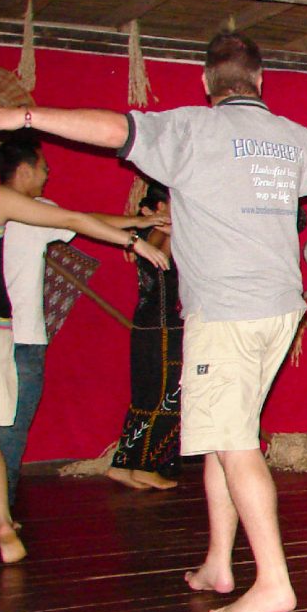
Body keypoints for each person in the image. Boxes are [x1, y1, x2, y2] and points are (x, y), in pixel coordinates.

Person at [0, 31, 307, 612]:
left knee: (235, 443)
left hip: (228, 311)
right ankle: (220, 561)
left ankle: (274, 581)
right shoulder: (292, 140)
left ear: (205, 82)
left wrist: (25, 114)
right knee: (224, 435)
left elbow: (112, 128)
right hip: (279, 308)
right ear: (261, 80)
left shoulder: (193, 129)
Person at [0, 130, 168, 564]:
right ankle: (0, 519)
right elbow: (74, 218)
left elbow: (76, 215)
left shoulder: (7, 203)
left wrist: (137, 227)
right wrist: (135, 237)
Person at [107, 180, 183, 491]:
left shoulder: (142, 236)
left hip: (146, 324)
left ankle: (124, 463)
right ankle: (147, 465)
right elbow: (166, 259)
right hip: (164, 326)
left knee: (145, 397)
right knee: (168, 398)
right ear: (162, 208)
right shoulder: (161, 236)